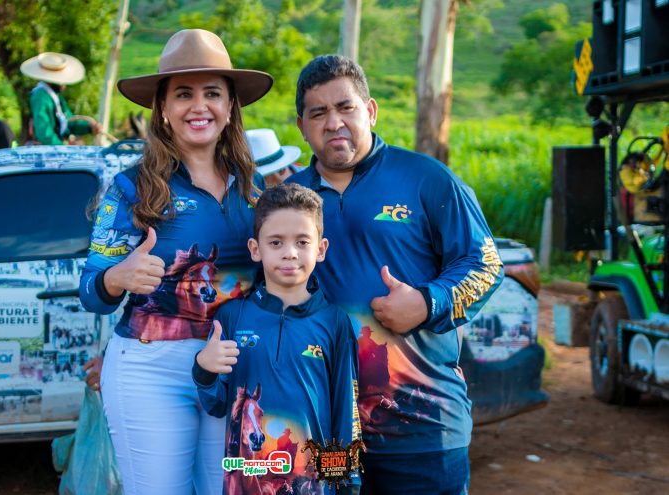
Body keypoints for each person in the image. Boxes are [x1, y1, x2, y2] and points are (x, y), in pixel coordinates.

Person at [287, 55, 505, 495]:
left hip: (422, 427)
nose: (334, 122)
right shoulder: (287, 201)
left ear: (369, 111)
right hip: (326, 431)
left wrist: (427, 303)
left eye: (345, 107)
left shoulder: (426, 180)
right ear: (302, 126)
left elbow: (486, 264)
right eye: (319, 113)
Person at [78, 28, 273, 495]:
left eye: (212, 93)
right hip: (151, 369)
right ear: (162, 108)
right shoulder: (132, 188)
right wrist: (117, 276)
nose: (199, 106)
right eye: (183, 94)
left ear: (230, 108)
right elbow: (91, 291)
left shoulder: (257, 188)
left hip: (231, 365)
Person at [193, 183, 362, 494]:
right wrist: (203, 368)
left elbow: (345, 411)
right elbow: (217, 405)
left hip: (311, 485)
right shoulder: (232, 317)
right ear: (255, 249)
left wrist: (347, 484)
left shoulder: (334, 322)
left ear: (321, 249)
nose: (290, 253)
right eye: (276, 242)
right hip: (246, 480)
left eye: (302, 242)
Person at [20, 52, 101, 144]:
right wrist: (63, 147)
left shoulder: (55, 97)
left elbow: (68, 121)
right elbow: (44, 134)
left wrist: (89, 127)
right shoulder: (40, 97)